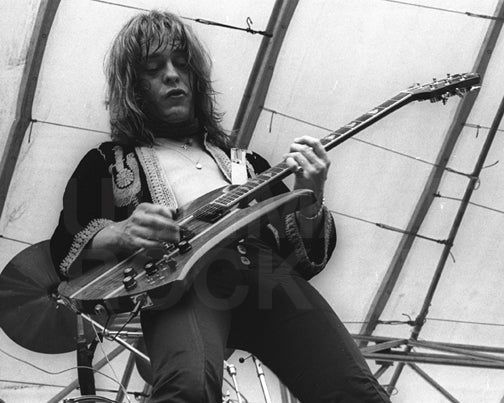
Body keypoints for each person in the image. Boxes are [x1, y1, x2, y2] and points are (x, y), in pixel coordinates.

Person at [50, 10, 390, 403]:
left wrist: (310, 196)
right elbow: (64, 245)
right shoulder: (108, 161)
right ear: (133, 87)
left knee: (355, 391)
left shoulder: (250, 164)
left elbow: (304, 259)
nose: (172, 75)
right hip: (183, 287)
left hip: (269, 276)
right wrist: (121, 233)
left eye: (182, 64)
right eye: (153, 68)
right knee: (187, 389)